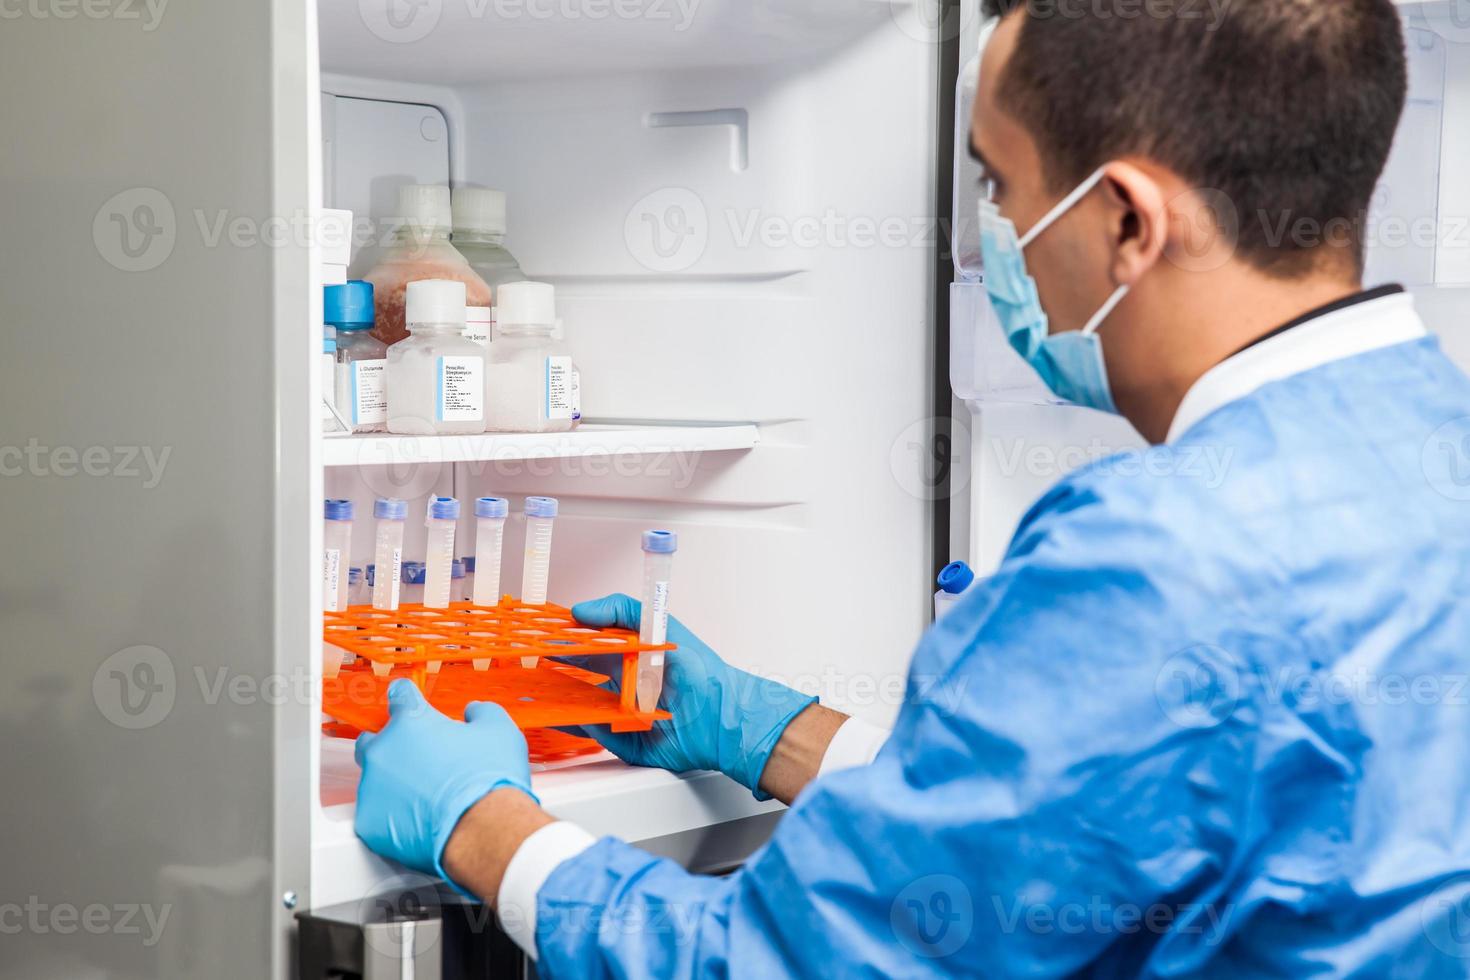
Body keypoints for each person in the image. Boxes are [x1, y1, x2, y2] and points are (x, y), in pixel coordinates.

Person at [352, 0, 1470, 974]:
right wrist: (768, 732)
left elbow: (784, 967)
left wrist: (485, 824)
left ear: (1129, 219)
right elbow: (1114, 818)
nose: (998, 248)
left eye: (1002, 187)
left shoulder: (1153, 557)